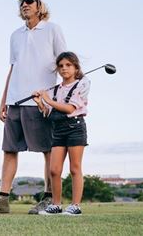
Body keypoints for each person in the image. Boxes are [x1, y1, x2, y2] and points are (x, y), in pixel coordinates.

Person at [0, 0, 67, 214]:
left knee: (47, 150)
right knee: (9, 150)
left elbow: (64, 65)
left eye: (28, 1)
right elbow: (13, 69)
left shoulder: (53, 29)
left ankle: (48, 198)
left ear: (39, 5)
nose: (24, 5)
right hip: (15, 100)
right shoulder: (15, 35)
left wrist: (56, 99)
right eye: (21, 2)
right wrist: (3, 100)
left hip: (42, 102)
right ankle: (2, 201)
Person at [33, 51, 90, 216]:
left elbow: (70, 109)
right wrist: (41, 104)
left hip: (75, 127)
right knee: (54, 170)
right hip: (58, 129)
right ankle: (56, 205)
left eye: (68, 65)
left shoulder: (82, 84)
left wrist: (48, 100)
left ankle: (75, 206)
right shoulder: (55, 90)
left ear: (75, 67)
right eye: (61, 66)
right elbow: (49, 113)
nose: (64, 69)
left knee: (75, 168)